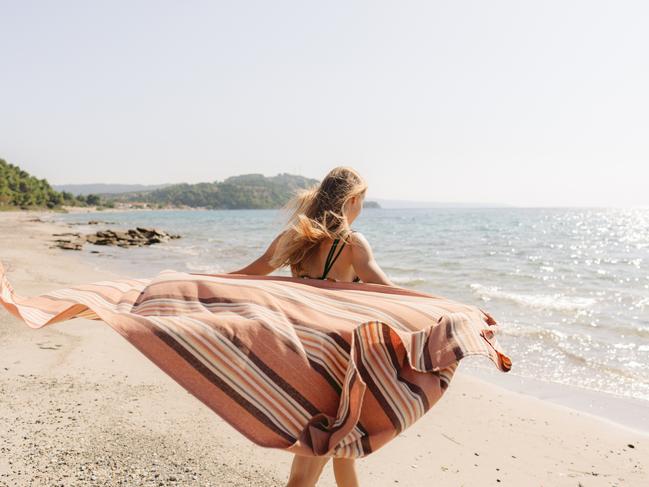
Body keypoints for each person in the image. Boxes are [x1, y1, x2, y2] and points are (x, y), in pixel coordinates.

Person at [228, 166, 394, 487]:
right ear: (354, 200)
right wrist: (447, 309)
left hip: (301, 357)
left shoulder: (295, 237)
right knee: (307, 471)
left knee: (343, 452)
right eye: (362, 201)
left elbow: (248, 274)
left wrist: (198, 283)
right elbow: (392, 293)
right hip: (338, 366)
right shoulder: (353, 244)